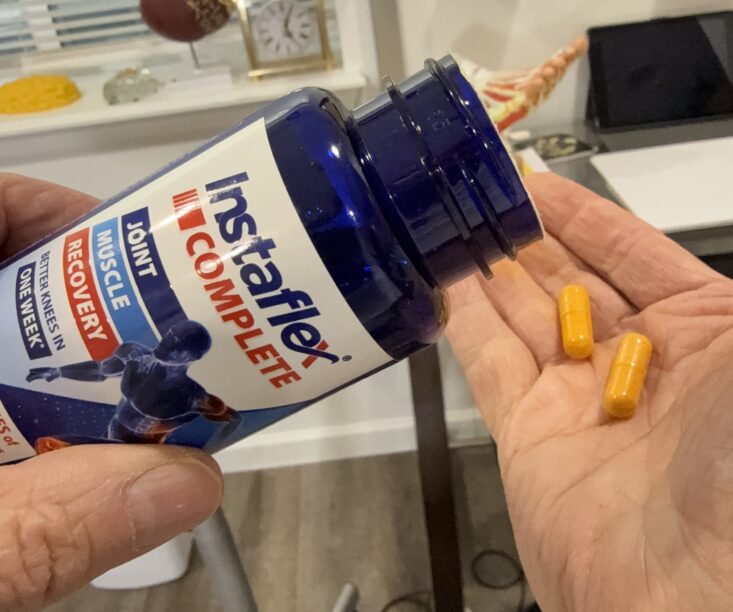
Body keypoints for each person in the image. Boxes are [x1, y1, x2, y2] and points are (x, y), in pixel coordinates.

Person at [0, 171, 731, 610]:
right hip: (107, 438)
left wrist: (190, 439)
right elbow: (108, 375)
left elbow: (207, 407)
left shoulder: (178, 385)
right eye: (182, 343)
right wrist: (52, 374)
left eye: (184, 346)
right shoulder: (155, 368)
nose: (177, 348)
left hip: (130, 441)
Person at [26, 319, 241, 452]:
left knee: (53, 446)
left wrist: (206, 449)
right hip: (111, 436)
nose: (168, 344)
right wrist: (59, 371)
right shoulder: (135, 355)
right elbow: (100, 370)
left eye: (178, 346)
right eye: (170, 336)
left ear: (192, 357)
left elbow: (233, 419)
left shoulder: (192, 395)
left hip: (137, 453)